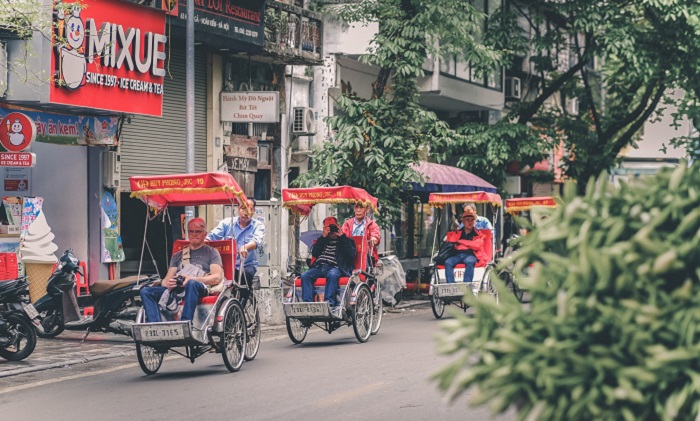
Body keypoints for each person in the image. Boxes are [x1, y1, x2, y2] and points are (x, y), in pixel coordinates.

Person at [141, 218, 224, 322]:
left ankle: (185, 322)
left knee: (191, 284)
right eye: (191, 231)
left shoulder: (212, 253)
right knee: (146, 291)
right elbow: (167, 279)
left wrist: (191, 279)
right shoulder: (178, 255)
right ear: (187, 233)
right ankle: (155, 326)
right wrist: (168, 283)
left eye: (198, 231)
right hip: (178, 289)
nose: (194, 234)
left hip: (199, 286)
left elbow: (217, 278)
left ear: (205, 234)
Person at [207, 198, 265, 308]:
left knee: (247, 275)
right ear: (238, 209)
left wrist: (246, 246)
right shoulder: (226, 223)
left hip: (247, 264)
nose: (246, 212)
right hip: (228, 265)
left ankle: (241, 308)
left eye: (249, 209)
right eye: (243, 208)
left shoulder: (258, 225)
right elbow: (211, 237)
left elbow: (257, 240)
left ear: (253, 211)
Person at [301, 216, 356, 308]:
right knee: (305, 275)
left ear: (338, 226)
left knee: (332, 275)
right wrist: (323, 237)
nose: (332, 231)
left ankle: (329, 303)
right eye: (329, 228)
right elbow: (315, 253)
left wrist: (342, 236)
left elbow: (352, 254)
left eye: (333, 227)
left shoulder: (345, 240)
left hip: (335, 267)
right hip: (319, 267)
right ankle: (308, 304)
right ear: (324, 229)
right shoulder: (322, 240)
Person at [443, 207, 488, 284]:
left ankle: (466, 286)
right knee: (448, 262)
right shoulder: (457, 233)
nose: (470, 222)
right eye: (467, 220)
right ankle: (451, 285)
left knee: (470, 261)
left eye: (472, 220)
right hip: (457, 255)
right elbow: (452, 243)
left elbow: (477, 245)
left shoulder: (478, 233)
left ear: (474, 222)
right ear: (463, 221)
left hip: (470, 254)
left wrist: (462, 242)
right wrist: (469, 244)